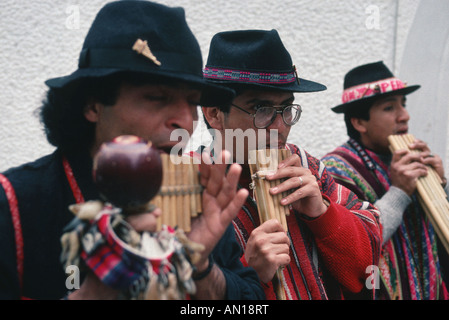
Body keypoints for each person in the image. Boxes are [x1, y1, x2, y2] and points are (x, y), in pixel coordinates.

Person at [0, 0, 264, 300]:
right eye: (156, 97)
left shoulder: (196, 196)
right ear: (93, 105)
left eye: (192, 101)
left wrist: (201, 268)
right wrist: (97, 292)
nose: (184, 121)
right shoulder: (13, 204)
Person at [197, 29, 382, 300]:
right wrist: (250, 272)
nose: (280, 128)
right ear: (214, 114)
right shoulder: (189, 188)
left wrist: (322, 213)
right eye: (262, 110)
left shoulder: (308, 167)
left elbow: (367, 269)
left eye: (286, 109)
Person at [321, 61, 449, 299]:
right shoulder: (334, 171)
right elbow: (351, 247)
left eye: (404, 104)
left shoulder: (411, 158)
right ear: (359, 123)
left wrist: (442, 186)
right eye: (390, 108)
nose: (404, 116)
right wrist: (399, 192)